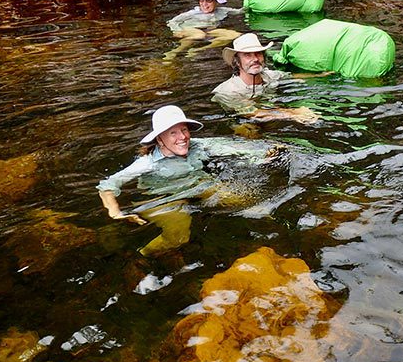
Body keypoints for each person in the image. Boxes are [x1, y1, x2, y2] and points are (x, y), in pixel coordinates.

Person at [97, 105, 287, 253]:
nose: (182, 137)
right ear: (159, 139)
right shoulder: (147, 163)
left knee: (256, 207)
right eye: (173, 132)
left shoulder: (199, 146)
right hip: (163, 198)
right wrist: (115, 212)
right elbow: (107, 185)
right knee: (178, 238)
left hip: (199, 185)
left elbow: (233, 149)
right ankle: (142, 255)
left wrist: (265, 156)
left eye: (184, 130)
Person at [211, 32, 319, 124]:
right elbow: (253, 113)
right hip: (241, 123)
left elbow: (292, 76)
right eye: (247, 55)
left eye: (258, 53)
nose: (255, 59)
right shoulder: (227, 91)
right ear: (237, 62)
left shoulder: (270, 76)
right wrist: (294, 113)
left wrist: (321, 75)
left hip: (272, 116)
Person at [165, 0, 242, 56]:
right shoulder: (192, 13)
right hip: (191, 29)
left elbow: (239, 11)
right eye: (201, 0)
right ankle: (174, 52)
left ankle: (199, 49)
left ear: (216, 1)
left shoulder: (223, 11)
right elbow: (172, 21)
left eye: (208, 1)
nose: (204, 4)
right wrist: (177, 31)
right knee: (200, 35)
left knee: (234, 35)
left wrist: (248, 5)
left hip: (209, 30)